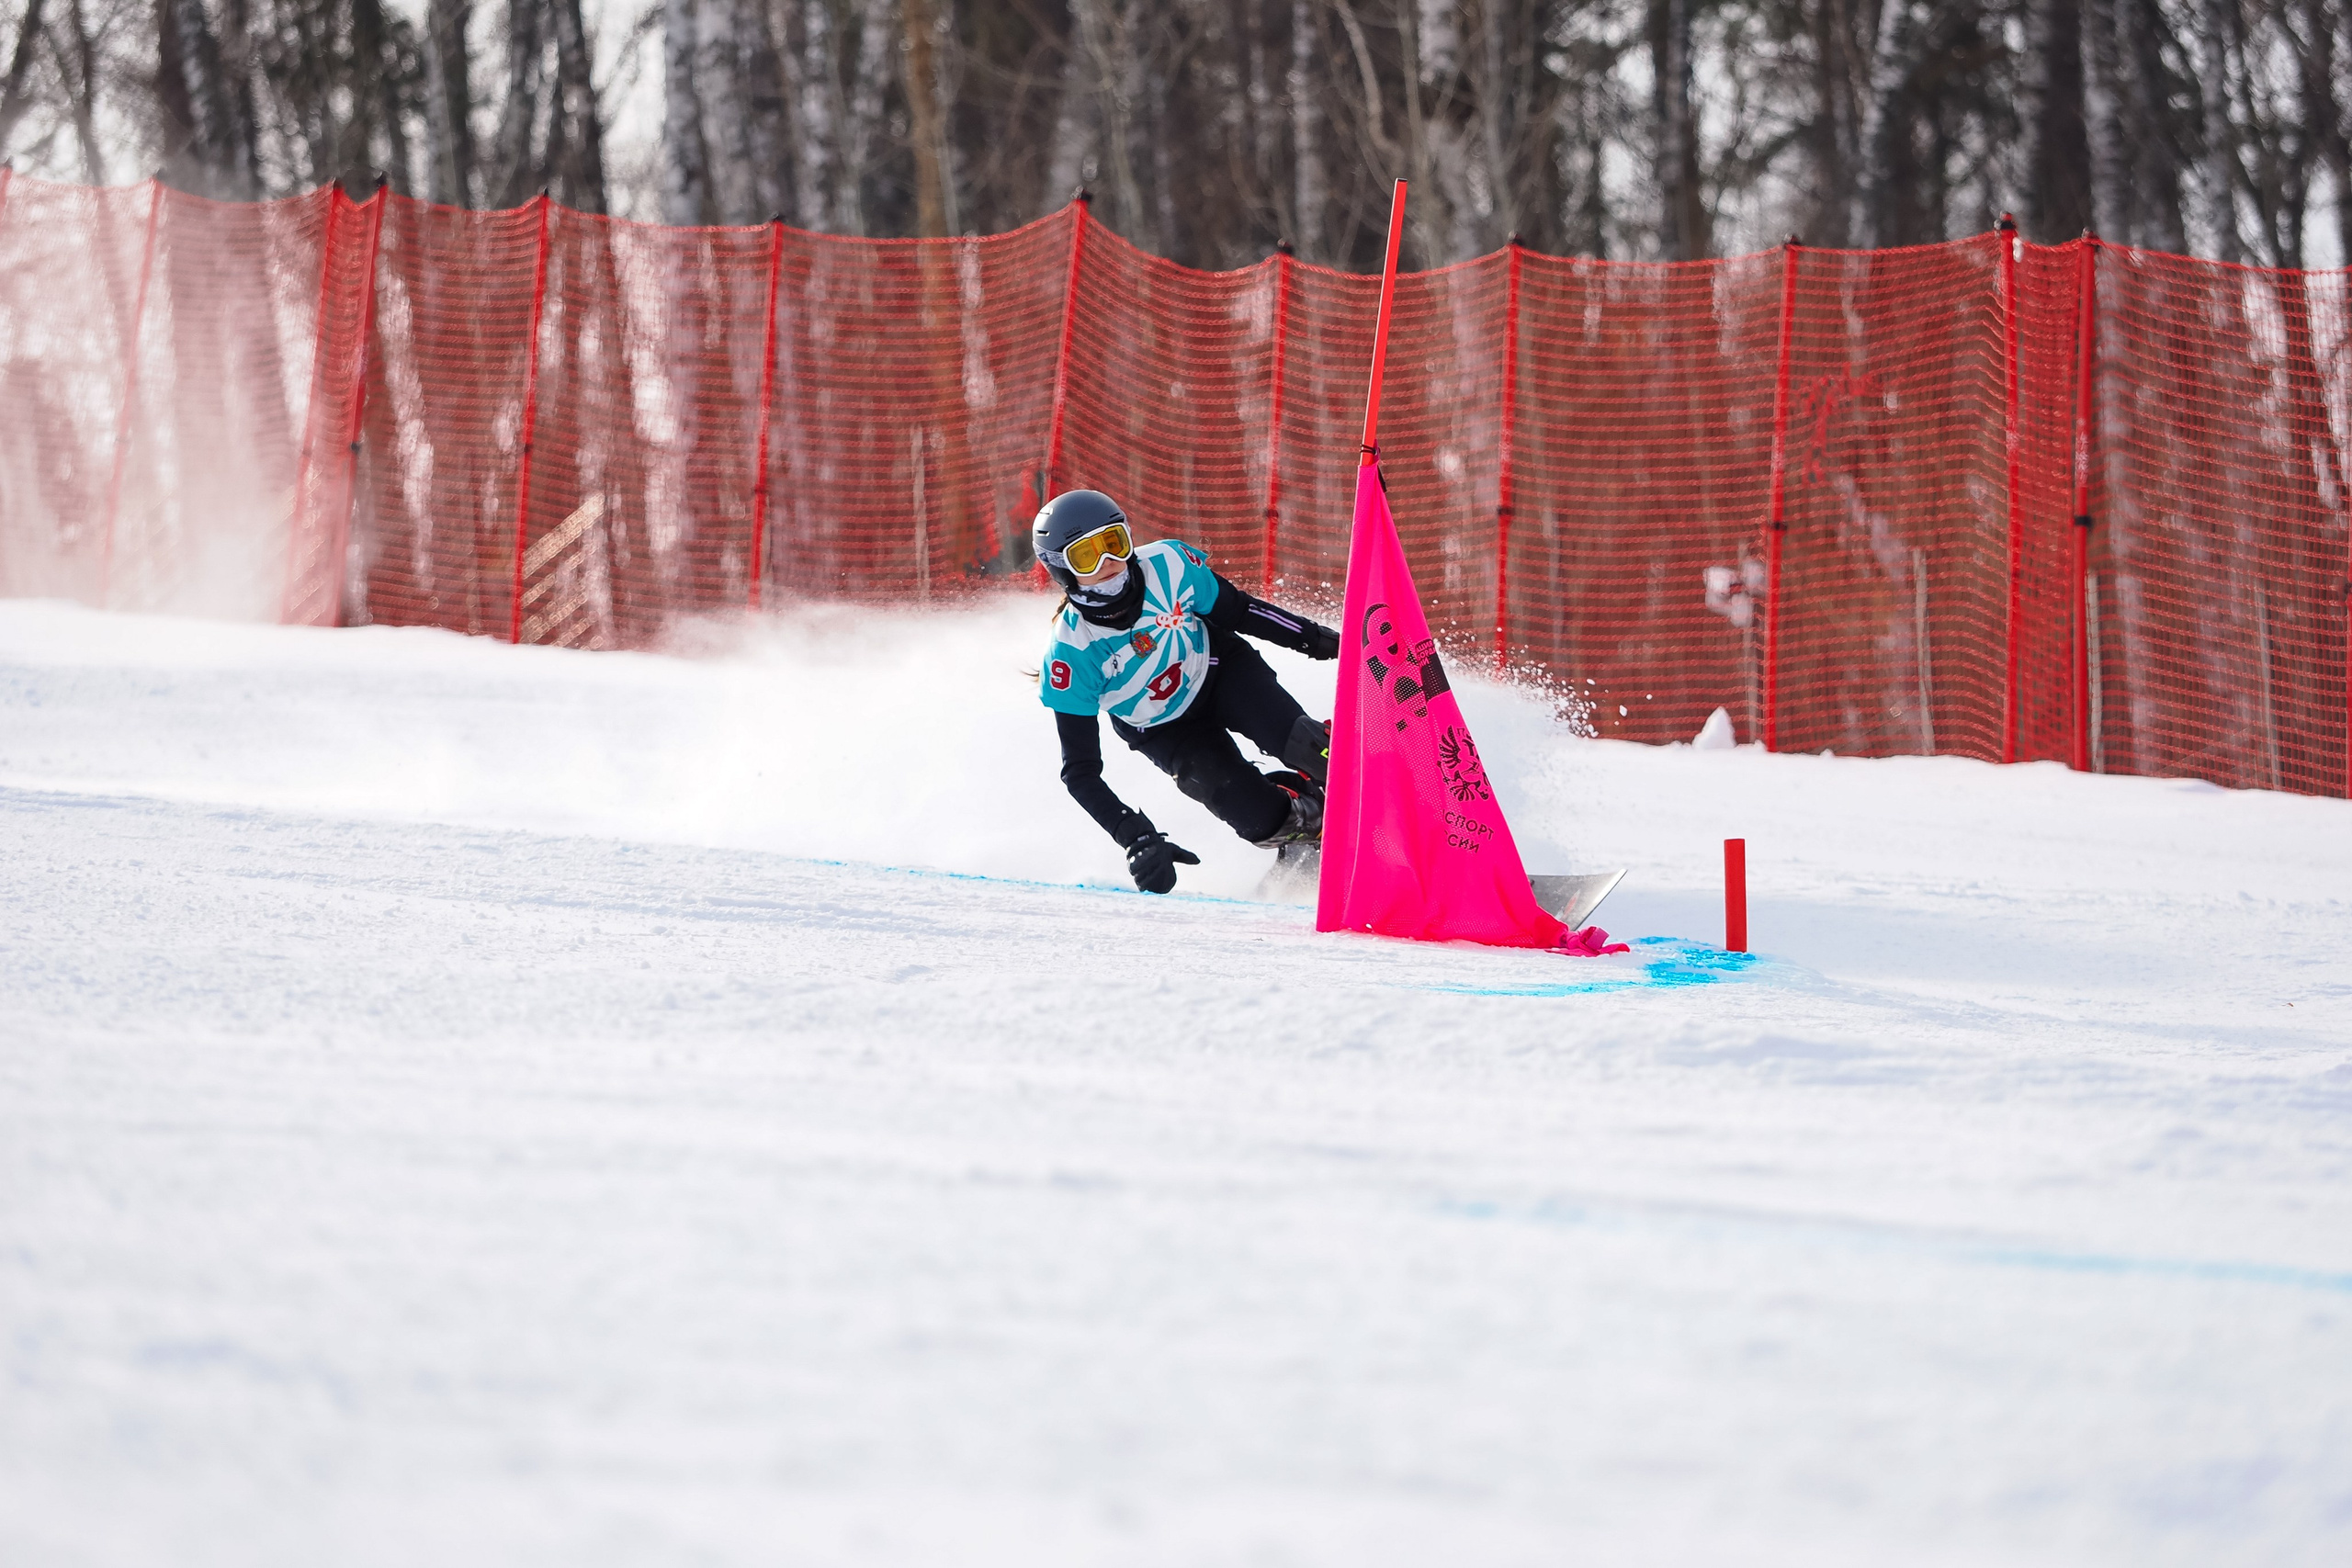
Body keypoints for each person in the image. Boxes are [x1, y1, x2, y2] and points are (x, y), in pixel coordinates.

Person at [1035, 489, 1340, 894]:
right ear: (1062, 570)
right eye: (1088, 556)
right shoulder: (1071, 653)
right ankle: (1309, 826)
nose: (1110, 563)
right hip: (1164, 729)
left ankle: (1373, 777)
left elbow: (1241, 611)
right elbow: (1080, 772)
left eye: (1114, 543)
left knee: (1310, 747)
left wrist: (1320, 641)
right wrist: (1136, 837)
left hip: (1220, 671)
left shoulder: (1169, 565)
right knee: (1257, 820)